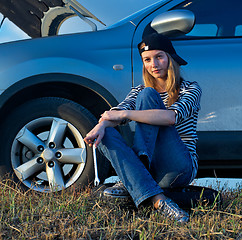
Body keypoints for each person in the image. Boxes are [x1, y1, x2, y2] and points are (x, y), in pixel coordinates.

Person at [84, 32, 202, 223]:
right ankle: (159, 201)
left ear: (170, 59)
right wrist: (101, 125)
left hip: (178, 167)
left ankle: (136, 176)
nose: (153, 64)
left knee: (148, 96)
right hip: (152, 168)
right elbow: (116, 112)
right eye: (147, 60)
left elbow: (170, 117)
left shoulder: (190, 88)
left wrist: (125, 115)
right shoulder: (137, 91)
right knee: (104, 134)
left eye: (159, 57)